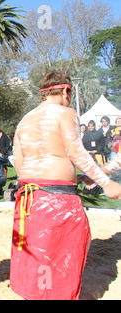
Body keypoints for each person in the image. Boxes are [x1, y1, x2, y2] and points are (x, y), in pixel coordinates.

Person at [10, 70, 121, 300]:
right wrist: (106, 183)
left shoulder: (24, 120)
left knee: (37, 257)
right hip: (58, 200)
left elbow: (18, 161)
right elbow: (76, 152)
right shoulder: (65, 113)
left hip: (29, 199)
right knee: (62, 256)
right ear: (66, 91)